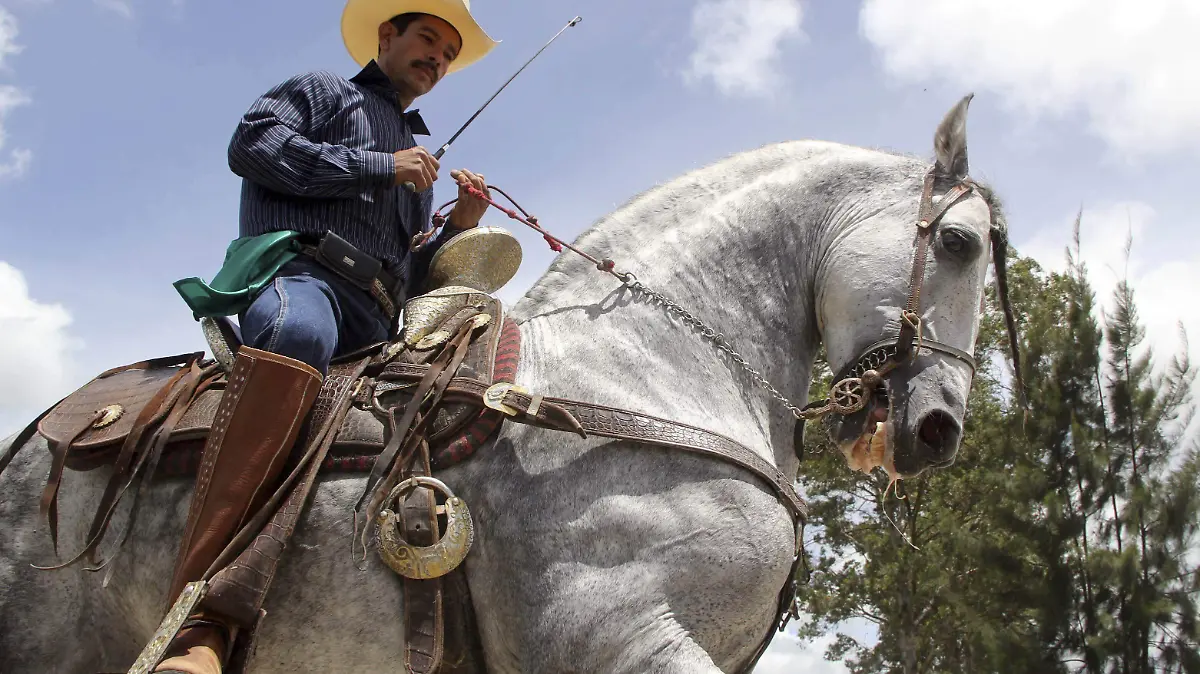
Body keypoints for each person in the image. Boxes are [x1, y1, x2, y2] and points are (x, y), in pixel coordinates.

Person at [152, 2, 499, 673]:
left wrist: (458, 228)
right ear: (386, 36)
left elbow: (408, 273)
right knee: (297, 335)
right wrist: (380, 167)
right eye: (428, 40)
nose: (438, 59)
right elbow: (253, 146)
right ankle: (200, 618)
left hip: (379, 319)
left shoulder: (415, 165)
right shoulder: (322, 90)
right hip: (303, 276)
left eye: (449, 54)